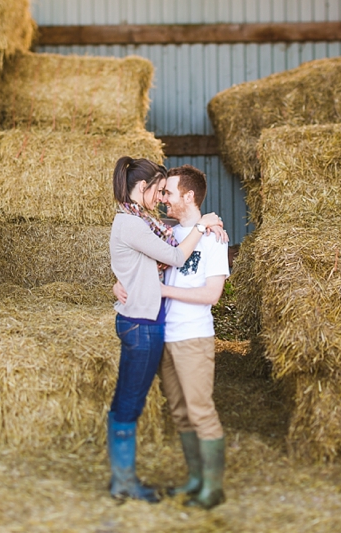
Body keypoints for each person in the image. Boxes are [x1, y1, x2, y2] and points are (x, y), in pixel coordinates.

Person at [108, 156, 223, 503]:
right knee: (159, 409)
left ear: (188, 197)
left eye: (168, 192)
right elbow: (156, 263)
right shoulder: (157, 230)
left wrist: (154, 288)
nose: (162, 199)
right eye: (159, 191)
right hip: (156, 331)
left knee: (197, 410)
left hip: (183, 333)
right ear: (142, 189)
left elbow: (211, 294)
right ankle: (174, 480)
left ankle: (210, 488)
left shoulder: (205, 237)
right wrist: (120, 283)